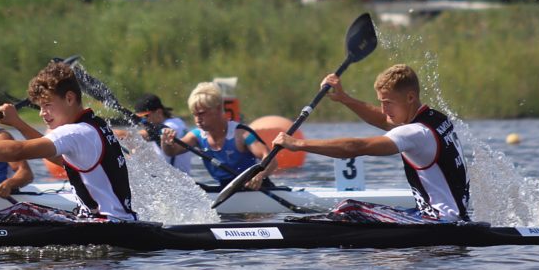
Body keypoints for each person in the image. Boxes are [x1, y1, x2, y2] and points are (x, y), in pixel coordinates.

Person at [0, 61, 137, 221]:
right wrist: (19, 123)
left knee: (18, 214)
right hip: (115, 221)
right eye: (40, 107)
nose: (42, 114)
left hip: (105, 225)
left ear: (70, 98)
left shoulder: (74, 133)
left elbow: (16, 151)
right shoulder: (94, 124)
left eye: (47, 105)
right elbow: (58, 159)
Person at [273, 64, 470, 221]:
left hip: (439, 222)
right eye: (381, 102)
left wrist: (298, 144)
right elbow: (384, 120)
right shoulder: (436, 119)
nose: (383, 109)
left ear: (410, 97)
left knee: (348, 208)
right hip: (453, 218)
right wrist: (344, 98)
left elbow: (357, 147)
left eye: (388, 103)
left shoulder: (414, 133)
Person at [161, 82, 273, 190]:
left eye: (201, 113)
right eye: (194, 114)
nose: (197, 119)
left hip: (256, 187)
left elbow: (270, 159)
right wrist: (166, 142)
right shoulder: (196, 135)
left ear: (218, 109)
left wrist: (259, 176)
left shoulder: (242, 134)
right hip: (226, 189)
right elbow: (172, 151)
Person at [133, 93, 191, 175]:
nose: (141, 122)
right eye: (137, 118)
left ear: (159, 112)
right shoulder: (178, 121)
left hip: (175, 181)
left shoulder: (171, 127)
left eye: (144, 117)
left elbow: (130, 135)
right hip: (176, 178)